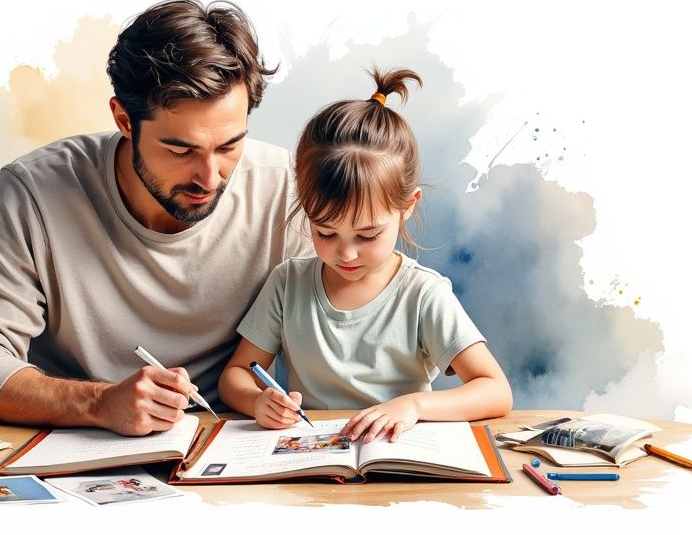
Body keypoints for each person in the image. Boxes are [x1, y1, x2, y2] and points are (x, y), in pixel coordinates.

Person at [0, 0, 311, 436]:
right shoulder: (33, 193)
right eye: (179, 150)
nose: (209, 177)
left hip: (228, 451)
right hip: (74, 449)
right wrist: (100, 403)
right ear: (124, 120)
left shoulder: (285, 190)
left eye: (228, 147)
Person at [218, 67, 513, 443]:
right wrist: (258, 400)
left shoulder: (423, 294)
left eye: (368, 235)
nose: (346, 253)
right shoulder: (287, 283)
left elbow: (495, 390)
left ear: (408, 207)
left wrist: (414, 406)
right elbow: (236, 375)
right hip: (315, 457)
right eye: (325, 232)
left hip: (396, 457)